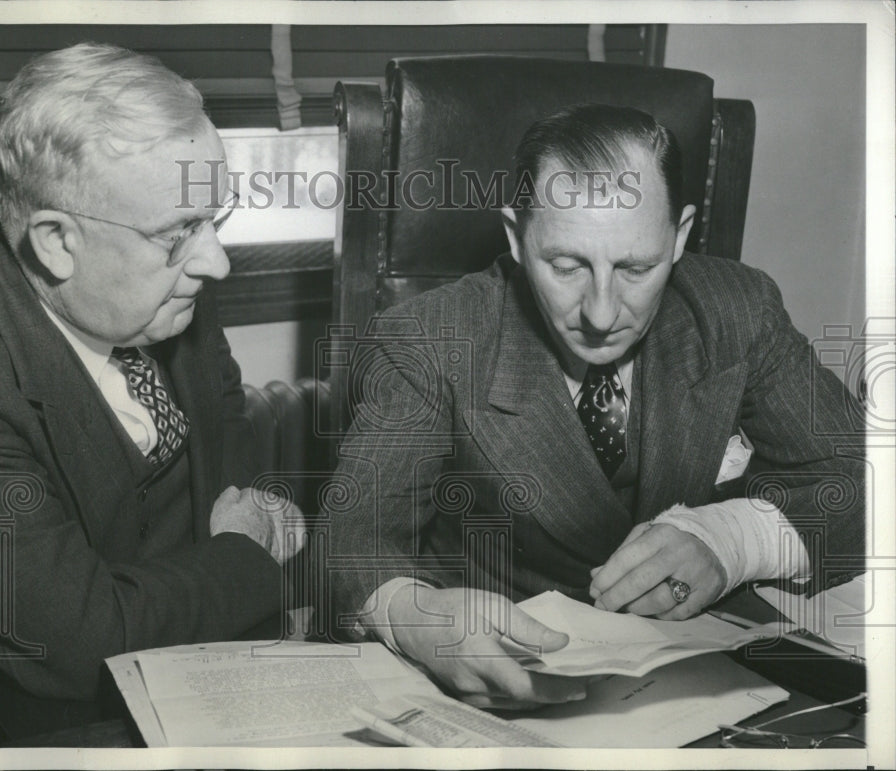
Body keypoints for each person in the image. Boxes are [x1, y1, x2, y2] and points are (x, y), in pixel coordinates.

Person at [324, 104, 865, 710]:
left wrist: (732, 538)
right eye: (566, 266)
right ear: (516, 236)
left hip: (700, 682)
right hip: (500, 690)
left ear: (681, 235)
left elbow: (863, 481)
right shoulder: (428, 340)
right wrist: (414, 618)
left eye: (636, 267)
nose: (601, 314)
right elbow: (351, 538)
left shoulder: (740, 311)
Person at [0, 43, 305, 742]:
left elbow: (234, 482)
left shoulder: (163, 282)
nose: (214, 260)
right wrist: (245, 555)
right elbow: (76, 643)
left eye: (213, 221)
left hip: (214, 681)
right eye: (181, 232)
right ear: (57, 241)